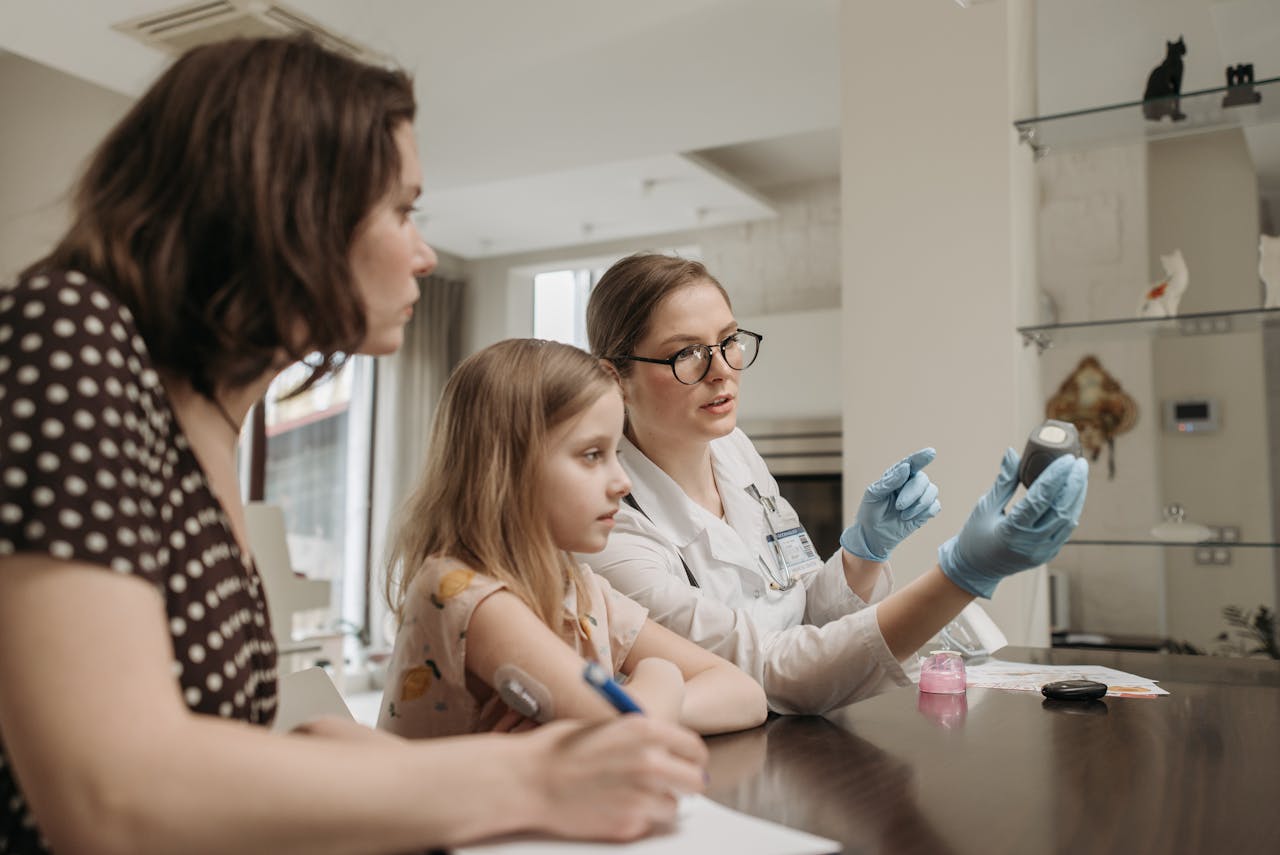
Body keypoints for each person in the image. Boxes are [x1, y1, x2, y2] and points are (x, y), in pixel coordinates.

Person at [0, 39, 707, 855]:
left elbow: (198, 743)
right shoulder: (69, 334)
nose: (425, 253)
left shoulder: (203, 419)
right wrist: (534, 777)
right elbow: (109, 791)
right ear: (291, 207)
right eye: (402, 211)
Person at [582, 253, 1089, 714]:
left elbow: (803, 614)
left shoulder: (734, 451)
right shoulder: (609, 531)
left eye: (729, 341)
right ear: (615, 378)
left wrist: (863, 553)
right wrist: (960, 576)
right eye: (687, 353)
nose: (722, 372)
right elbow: (768, 673)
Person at [380, 339, 767, 739]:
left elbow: (746, 694)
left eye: (614, 452)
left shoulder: (580, 591)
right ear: (510, 468)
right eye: (591, 455)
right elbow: (622, 731)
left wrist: (645, 703)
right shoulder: (463, 593)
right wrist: (660, 675)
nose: (622, 482)